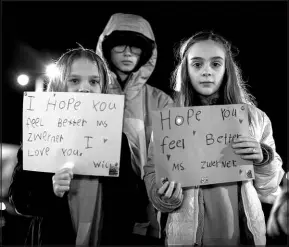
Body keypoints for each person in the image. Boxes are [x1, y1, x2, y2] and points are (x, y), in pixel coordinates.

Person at [143, 31, 285, 246]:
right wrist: (163, 195)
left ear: (227, 69)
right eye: (197, 64)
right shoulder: (170, 120)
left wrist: (264, 159)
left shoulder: (255, 118)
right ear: (186, 70)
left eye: (216, 64)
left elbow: (270, 189)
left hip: (242, 234)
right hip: (188, 235)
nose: (206, 72)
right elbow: (153, 171)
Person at [8, 47, 117, 246]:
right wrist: (51, 191)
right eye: (74, 80)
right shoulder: (40, 133)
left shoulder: (118, 138)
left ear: (103, 88)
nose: (85, 88)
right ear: (59, 85)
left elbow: (130, 198)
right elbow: (19, 199)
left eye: (94, 81)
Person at [96, 13, 173, 244]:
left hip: (140, 215)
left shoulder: (161, 102)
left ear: (146, 53)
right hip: (93, 209)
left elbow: (169, 159)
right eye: (120, 45)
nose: (128, 52)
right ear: (107, 48)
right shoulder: (88, 94)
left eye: (136, 47)